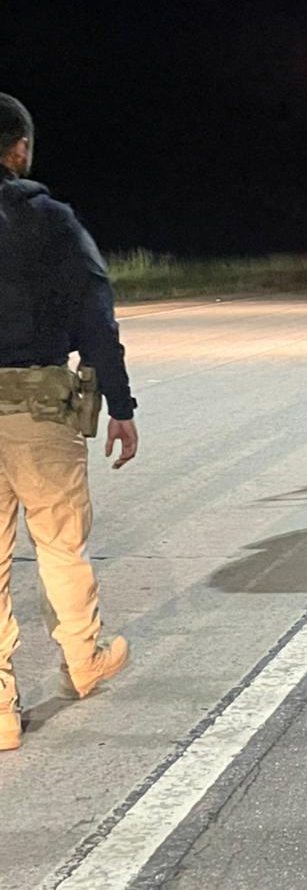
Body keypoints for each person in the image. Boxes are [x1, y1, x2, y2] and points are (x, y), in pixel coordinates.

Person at [0, 94, 135, 751]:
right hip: (39, 401)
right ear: (19, 148)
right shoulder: (52, 222)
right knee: (58, 542)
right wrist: (122, 406)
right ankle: (83, 661)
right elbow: (96, 320)